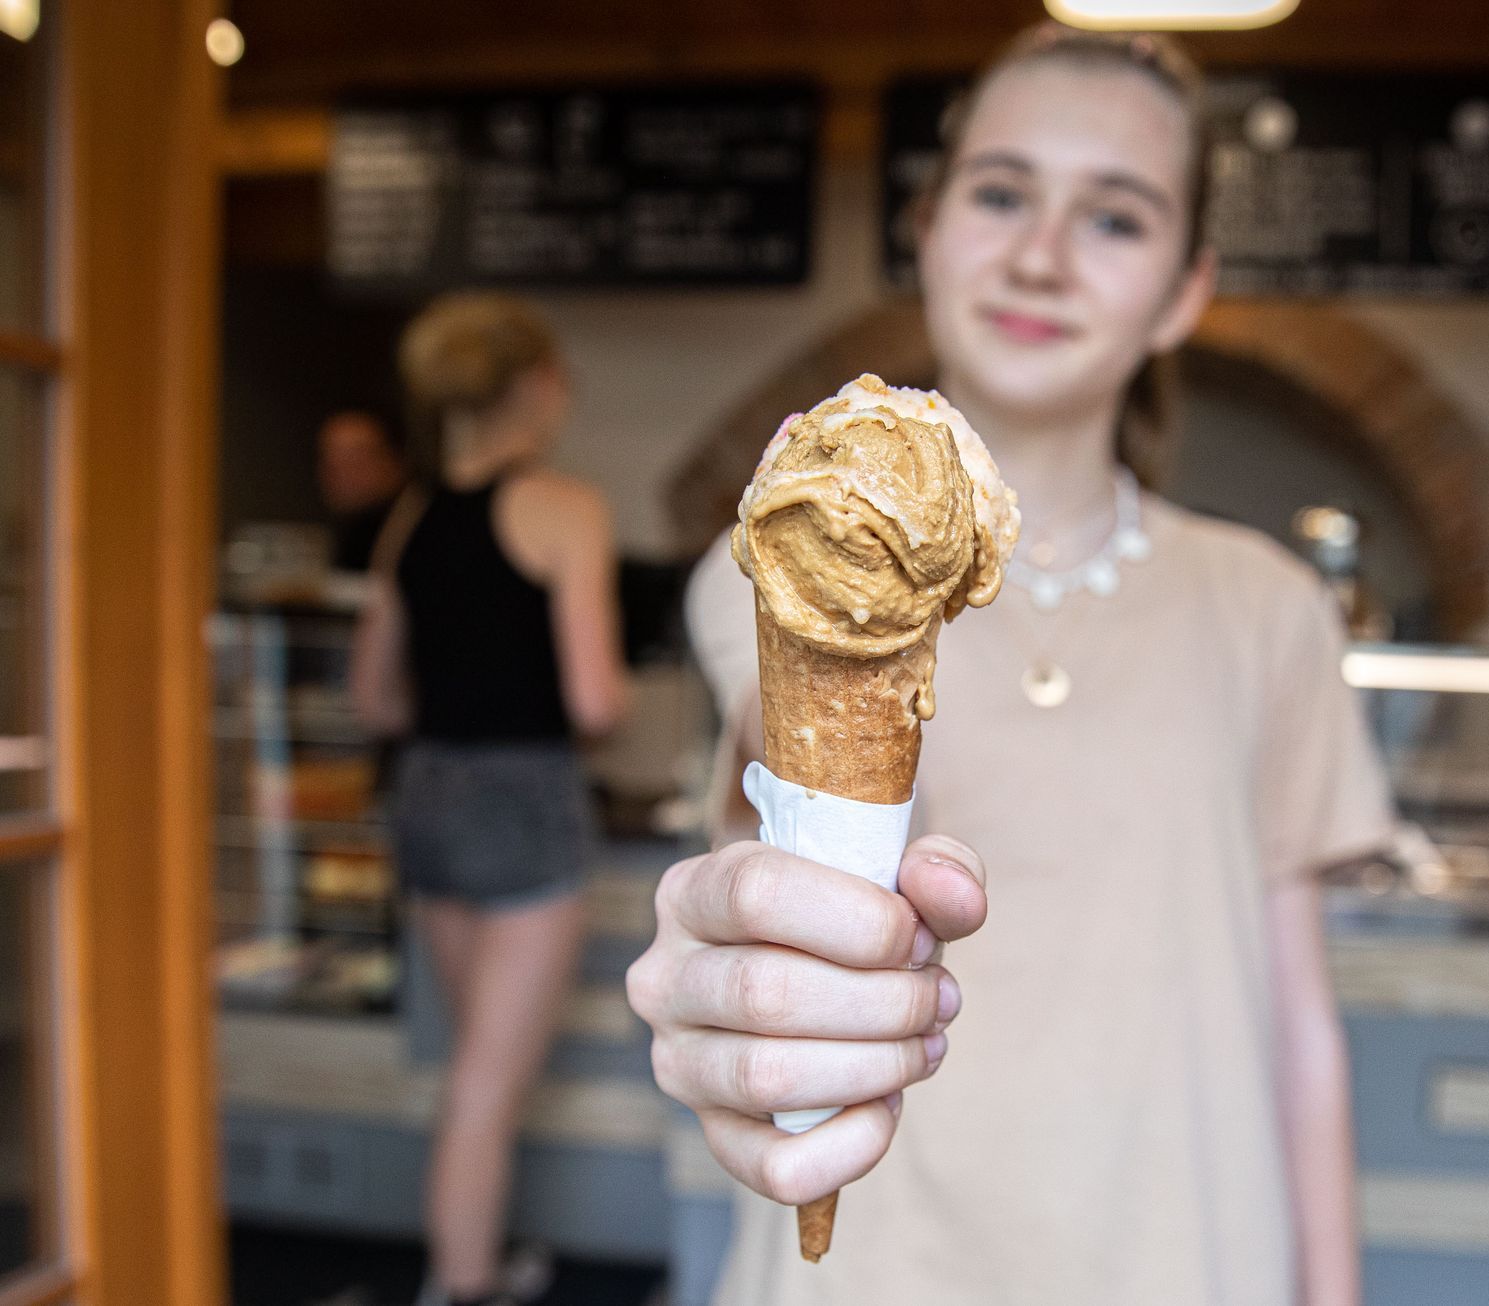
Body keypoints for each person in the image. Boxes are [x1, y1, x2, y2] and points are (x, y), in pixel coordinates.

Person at [627, 25, 1393, 1306]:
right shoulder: (772, 563)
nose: (1039, 254)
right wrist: (723, 979)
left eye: (1115, 218)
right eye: (999, 194)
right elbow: (764, 859)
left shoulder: (1268, 608)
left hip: (1187, 1259)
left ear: (1186, 291)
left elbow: (1298, 1017)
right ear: (926, 228)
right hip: (875, 1268)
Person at [352, 294, 627, 1306]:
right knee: (486, 1084)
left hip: (429, 795)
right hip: (523, 801)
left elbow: (372, 696)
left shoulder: (409, 518)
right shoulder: (565, 508)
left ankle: (483, 1262)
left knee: (474, 1070)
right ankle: (462, 1284)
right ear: (535, 384)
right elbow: (594, 696)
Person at [318, 409, 410, 572]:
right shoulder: (352, 532)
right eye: (332, 462)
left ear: (395, 462)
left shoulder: (422, 532)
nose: (342, 475)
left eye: (355, 460)